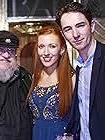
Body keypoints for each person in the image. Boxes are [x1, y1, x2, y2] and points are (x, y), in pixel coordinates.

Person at [55, 2, 105, 140]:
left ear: (92, 26)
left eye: (80, 25)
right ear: (63, 34)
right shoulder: (79, 66)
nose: (75, 34)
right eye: (68, 29)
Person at [26, 23, 75, 140]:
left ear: (62, 49)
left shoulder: (72, 78)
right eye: (41, 46)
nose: (46, 52)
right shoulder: (34, 77)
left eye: (52, 46)